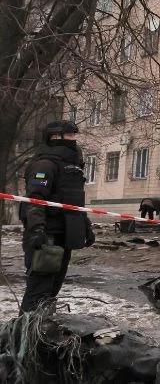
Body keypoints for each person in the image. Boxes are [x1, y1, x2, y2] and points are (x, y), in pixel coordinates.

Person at [20, 120, 95, 312]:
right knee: (39, 290)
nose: (74, 139)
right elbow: (35, 200)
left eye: (74, 135)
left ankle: (43, 330)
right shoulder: (44, 164)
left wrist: (85, 225)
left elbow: (74, 201)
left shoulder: (72, 167)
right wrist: (37, 229)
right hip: (47, 236)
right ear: (54, 137)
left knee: (52, 289)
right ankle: (25, 334)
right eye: (69, 135)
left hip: (65, 235)